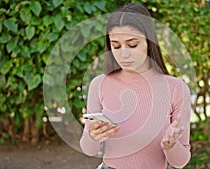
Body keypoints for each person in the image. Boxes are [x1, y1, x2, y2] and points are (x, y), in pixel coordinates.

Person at [80, 3, 191, 169]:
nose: (123, 53)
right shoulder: (99, 84)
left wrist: (171, 145)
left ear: (149, 42)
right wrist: (93, 136)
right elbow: (88, 149)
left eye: (132, 45)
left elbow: (180, 162)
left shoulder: (176, 88)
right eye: (116, 46)